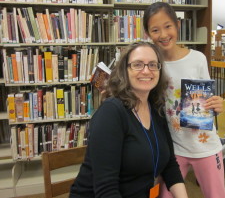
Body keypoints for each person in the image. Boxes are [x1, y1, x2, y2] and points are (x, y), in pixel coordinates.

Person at [69, 41, 188, 198]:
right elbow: (106, 190)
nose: (146, 71)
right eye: (138, 64)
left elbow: (170, 166)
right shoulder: (111, 113)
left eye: (153, 64)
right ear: (125, 70)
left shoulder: (156, 108)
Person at [143, 2, 225, 198]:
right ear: (148, 34)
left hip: (204, 146)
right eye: (155, 30)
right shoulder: (153, 63)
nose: (163, 35)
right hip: (173, 148)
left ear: (177, 25)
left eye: (168, 26)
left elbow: (208, 99)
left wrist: (217, 105)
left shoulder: (197, 58)